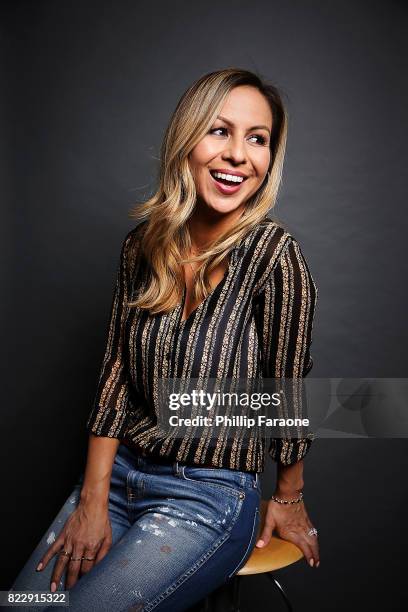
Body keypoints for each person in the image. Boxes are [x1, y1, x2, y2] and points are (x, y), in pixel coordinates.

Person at [9, 68, 320, 612]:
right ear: (188, 139)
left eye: (258, 139)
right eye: (219, 131)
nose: (239, 156)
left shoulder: (275, 256)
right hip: (122, 473)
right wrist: (92, 500)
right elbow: (114, 380)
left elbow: (285, 392)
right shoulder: (143, 246)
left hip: (210, 495)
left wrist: (289, 497)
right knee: (23, 606)